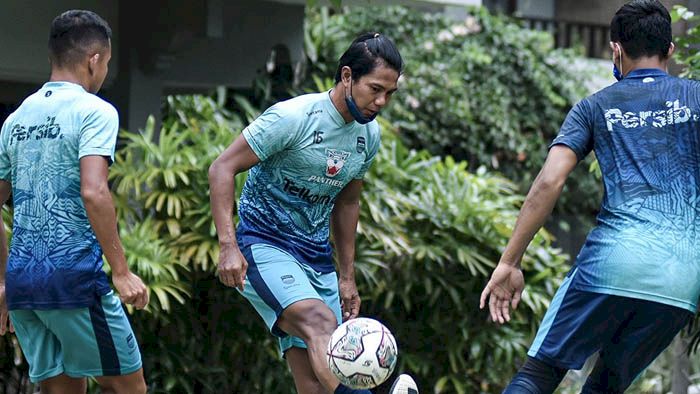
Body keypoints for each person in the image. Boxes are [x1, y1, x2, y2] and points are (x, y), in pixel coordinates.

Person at [479, 1, 700, 392]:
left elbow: (549, 181)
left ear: (616, 49)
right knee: (606, 387)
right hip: (681, 276)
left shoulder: (594, 107)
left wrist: (510, 262)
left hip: (610, 264)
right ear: (669, 49)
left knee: (538, 375)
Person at [209, 33, 418, 394]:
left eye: (390, 94)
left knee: (314, 383)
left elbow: (348, 202)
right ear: (348, 76)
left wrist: (347, 276)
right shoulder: (292, 118)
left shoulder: (369, 136)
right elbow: (222, 168)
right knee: (321, 324)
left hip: (317, 257)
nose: (381, 102)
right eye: (375, 89)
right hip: (264, 243)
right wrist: (228, 245)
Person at [0, 10, 148, 394]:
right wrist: (121, 271)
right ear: (94, 59)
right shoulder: (94, 111)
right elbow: (94, 190)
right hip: (74, 282)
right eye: (107, 63)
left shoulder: (16, 120)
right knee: (129, 386)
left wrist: (3, 279)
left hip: (23, 287)